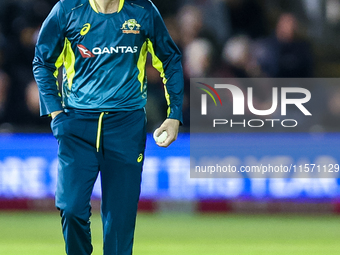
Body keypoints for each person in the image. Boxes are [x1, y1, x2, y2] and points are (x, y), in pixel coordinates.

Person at [32, 0, 184, 254]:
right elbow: (43, 62)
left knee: (120, 220)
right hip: (76, 125)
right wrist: (56, 115)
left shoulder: (142, 10)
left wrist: (174, 114)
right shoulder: (67, 10)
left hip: (126, 126)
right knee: (71, 209)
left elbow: (170, 59)